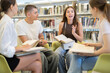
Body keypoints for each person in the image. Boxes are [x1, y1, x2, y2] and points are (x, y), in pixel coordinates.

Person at [67, 0, 110, 73]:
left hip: (106, 58)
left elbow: (108, 48)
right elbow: (104, 43)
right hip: (103, 55)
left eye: (90, 9)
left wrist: (91, 53)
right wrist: (91, 44)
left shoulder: (105, 23)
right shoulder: (103, 21)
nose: (90, 11)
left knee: (78, 63)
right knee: (76, 56)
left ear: (95, 9)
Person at [0, 0, 42, 73]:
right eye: (16, 5)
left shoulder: (6, 20)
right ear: (11, 7)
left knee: (37, 65)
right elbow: (4, 49)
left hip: (9, 58)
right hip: (7, 61)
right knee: (37, 54)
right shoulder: (7, 22)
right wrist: (20, 48)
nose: (17, 7)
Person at [16, 5, 58, 73]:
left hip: (38, 48)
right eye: (35, 13)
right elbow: (26, 43)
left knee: (54, 55)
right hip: (26, 50)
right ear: (28, 14)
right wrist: (38, 42)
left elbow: (41, 36)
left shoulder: (38, 23)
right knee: (42, 56)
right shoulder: (19, 25)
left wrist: (42, 40)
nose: (37, 14)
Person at [55, 6, 83, 73]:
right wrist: (59, 39)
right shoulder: (62, 24)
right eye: (68, 12)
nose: (70, 13)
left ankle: (70, 71)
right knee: (57, 53)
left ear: (74, 14)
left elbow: (81, 39)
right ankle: (62, 71)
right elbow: (59, 35)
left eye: (72, 11)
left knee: (69, 55)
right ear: (65, 14)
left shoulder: (78, 24)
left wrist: (74, 33)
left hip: (73, 45)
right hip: (64, 45)